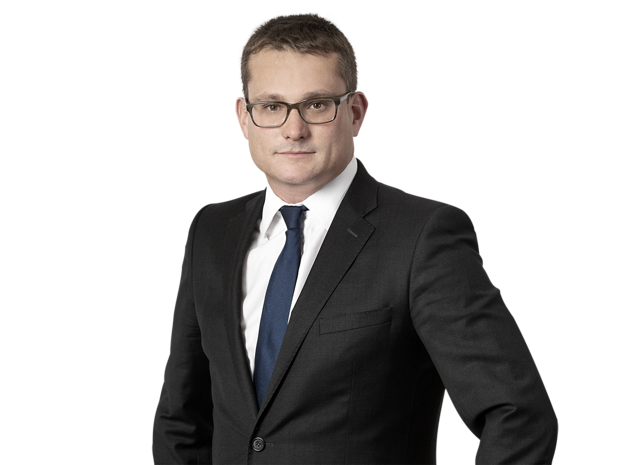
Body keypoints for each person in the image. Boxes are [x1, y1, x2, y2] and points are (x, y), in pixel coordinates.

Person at [152, 11, 557, 464]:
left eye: (317, 105)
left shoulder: (421, 236)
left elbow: (519, 415)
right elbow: (181, 420)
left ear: (356, 112)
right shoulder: (211, 231)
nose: (293, 129)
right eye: (271, 106)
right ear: (244, 117)